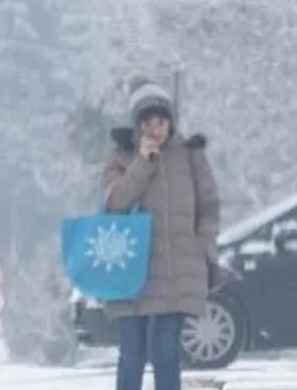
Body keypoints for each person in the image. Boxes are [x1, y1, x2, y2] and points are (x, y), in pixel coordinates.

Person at [102, 76, 221, 390]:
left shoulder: (190, 154)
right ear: (136, 125)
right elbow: (114, 203)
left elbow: (209, 205)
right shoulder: (121, 157)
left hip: (176, 270)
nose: (155, 129)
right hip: (131, 272)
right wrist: (143, 162)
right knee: (132, 354)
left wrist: (204, 247)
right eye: (147, 122)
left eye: (161, 121)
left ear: (170, 122)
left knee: (165, 352)